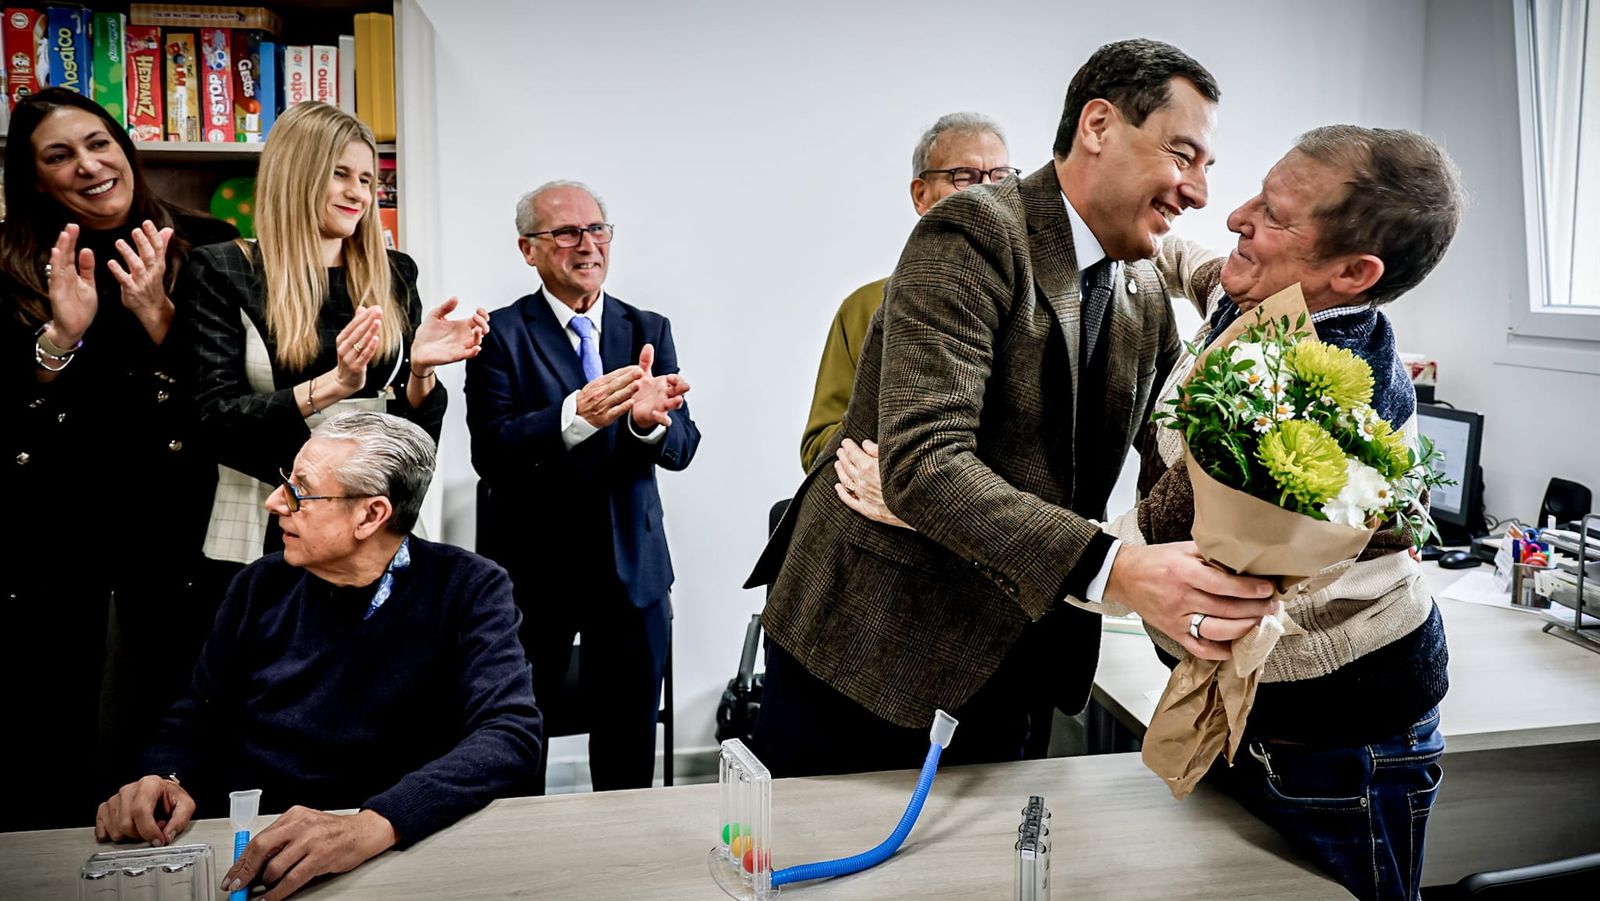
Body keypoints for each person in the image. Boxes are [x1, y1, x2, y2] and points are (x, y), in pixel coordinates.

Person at [746, 39, 1275, 778]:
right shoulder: (973, 233)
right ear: (1098, 126)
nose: (1199, 193)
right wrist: (1116, 569)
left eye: (1208, 166)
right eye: (1182, 156)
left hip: (1020, 659)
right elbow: (926, 465)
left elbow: (1172, 462)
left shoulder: (1144, 289)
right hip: (875, 656)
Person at [1099, 127, 1462, 901]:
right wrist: (1136, 227)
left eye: (1273, 213)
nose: (1238, 215)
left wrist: (950, 507)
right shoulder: (1269, 298)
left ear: (1352, 273)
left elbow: (1151, 541)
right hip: (1269, 724)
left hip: (1337, 746)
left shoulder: (1301, 399)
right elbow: (1204, 270)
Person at [95, 412, 543, 901]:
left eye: (299, 492)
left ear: (370, 515)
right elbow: (197, 715)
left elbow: (509, 734)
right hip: (258, 849)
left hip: (397, 854)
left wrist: (373, 825)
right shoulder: (259, 585)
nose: (274, 501)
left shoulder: (469, 588)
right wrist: (165, 776)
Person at [0, 88, 238, 829]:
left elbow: (234, 409)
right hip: (55, 550)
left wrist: (162, 320)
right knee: (62, 765)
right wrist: (58, 341)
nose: (89, 165)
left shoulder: (212, 243)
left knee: (183, 755)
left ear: (124, 147)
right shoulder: (9, 264)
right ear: (35, 179)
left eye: (99, 142)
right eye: (60, 155)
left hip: (186, 543)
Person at [465, 180, 700, 792]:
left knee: (628, 755)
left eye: (597, 229)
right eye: (567, 232)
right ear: (528, 249)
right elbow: (492, 452)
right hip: (533, 578)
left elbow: (684, 446)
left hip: (633, 573)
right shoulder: (499, 335)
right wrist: (576, 416)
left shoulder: (646, 327)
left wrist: (648, 425)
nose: (587, 244)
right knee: (517, 749)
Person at [186, 101, 488, 567]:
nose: (358, 194)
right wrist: (335, 385)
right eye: (340, 174)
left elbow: (413, 440)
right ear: (296, 175)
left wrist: (421, 372)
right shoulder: (223, 268)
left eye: (366, 180)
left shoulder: (395, 274)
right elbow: (213, 420)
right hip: (262, 523)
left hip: (372, 524)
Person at [799, 112, 1017, 478]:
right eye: (964, 177)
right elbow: (818, 448)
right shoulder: (864, 307)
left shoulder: (1033, 307)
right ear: (921, 195)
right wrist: (901, 462)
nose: (988, 192)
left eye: (1001, 177)